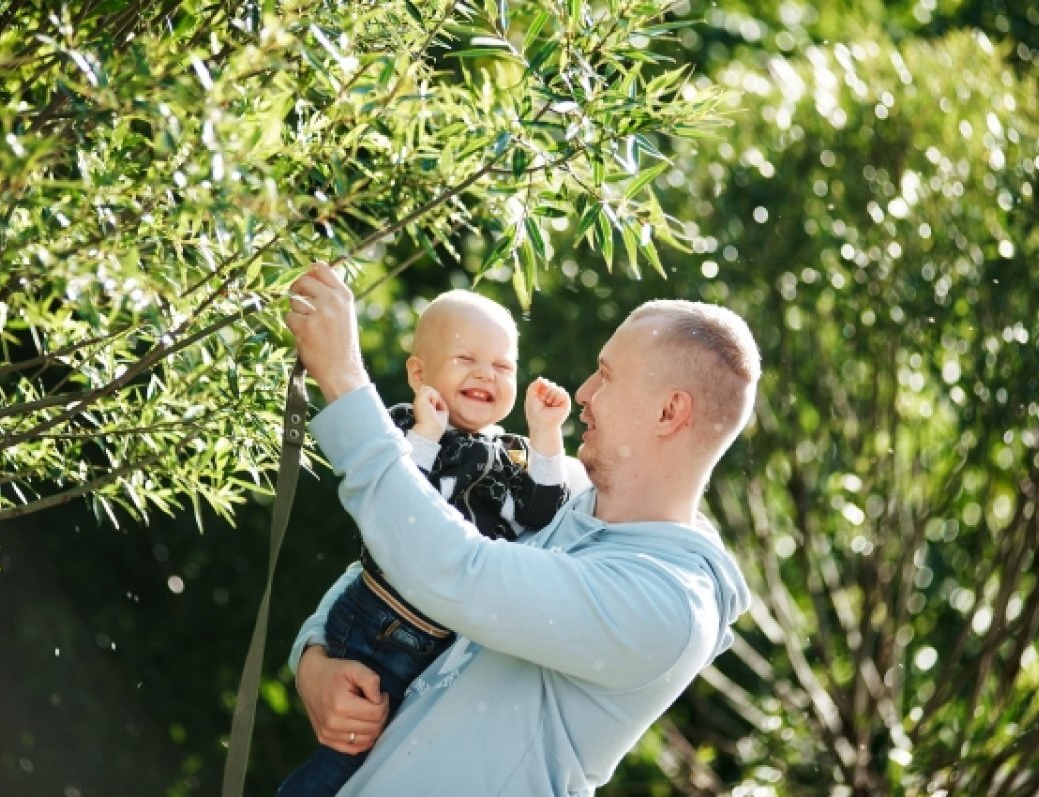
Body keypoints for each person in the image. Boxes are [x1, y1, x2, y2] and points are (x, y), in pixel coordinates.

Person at [281, 263, 760, 797]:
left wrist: (344, 378)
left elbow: (455, 571)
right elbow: (392, 553)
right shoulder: (560, 493)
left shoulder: (665, 606)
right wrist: (314, 659)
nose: (583, 392)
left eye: (606, 376)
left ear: (669, 411)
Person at [277, 289, 572, 797]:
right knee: (345, 759)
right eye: (466, 359)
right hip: (381, 625)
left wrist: (547, 437)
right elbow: (394, 508)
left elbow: (541, 513)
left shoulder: (512, 456)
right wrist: (426, 435)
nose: (486, 374)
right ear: (418, 374)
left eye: (502, 366)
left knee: (389, 763)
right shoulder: (406, 429)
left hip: (441, 644)